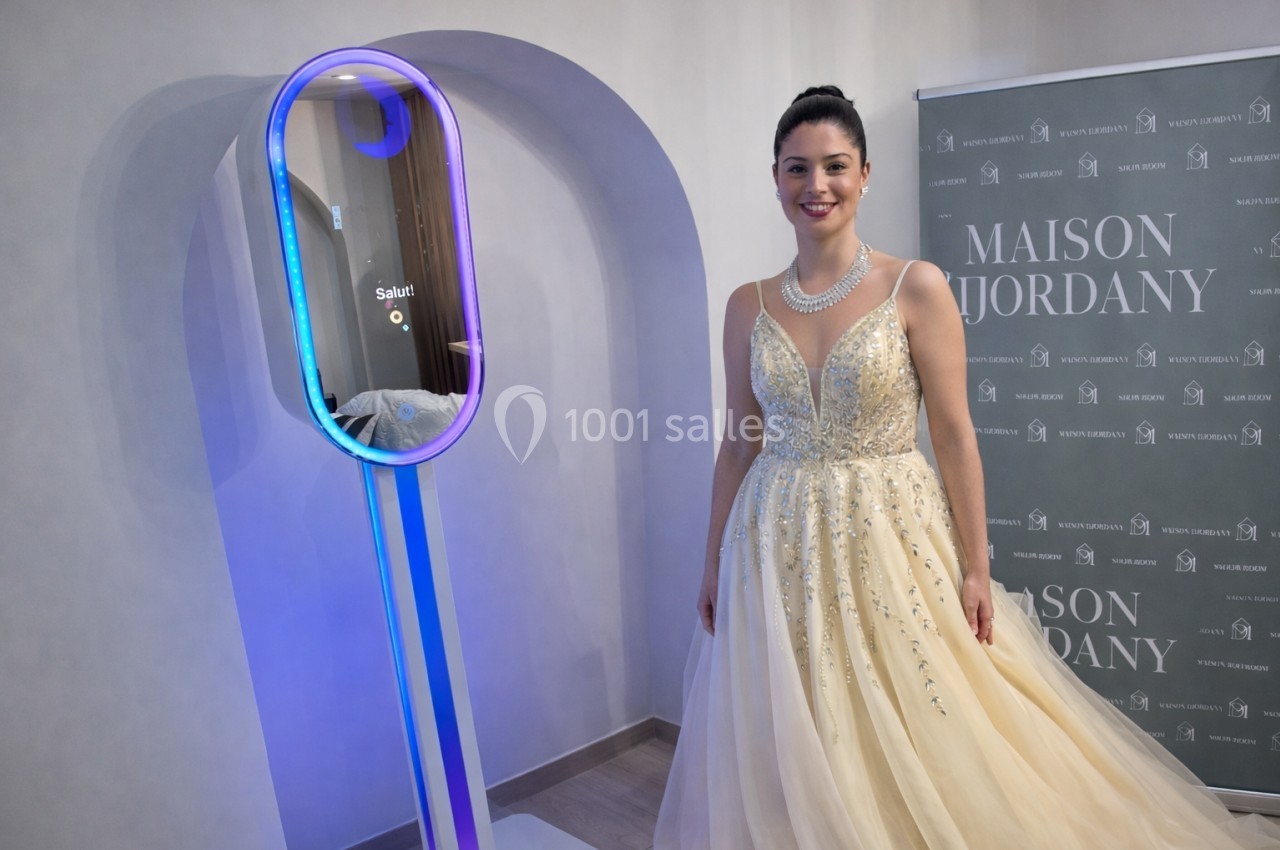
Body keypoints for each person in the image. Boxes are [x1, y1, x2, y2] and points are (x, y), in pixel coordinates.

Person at [653, 86, 1280, 849]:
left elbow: (954, 436)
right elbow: (739, 441)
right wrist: (714, 557)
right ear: (776, 177)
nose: (815, 186)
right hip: (772, 538)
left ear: (865, 174)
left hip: (890, 532)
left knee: (924, 705)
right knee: (796, 712)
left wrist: (976, 566)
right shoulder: (746, 305)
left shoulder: (913, 285)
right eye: (796, 169)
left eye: (834, 167)